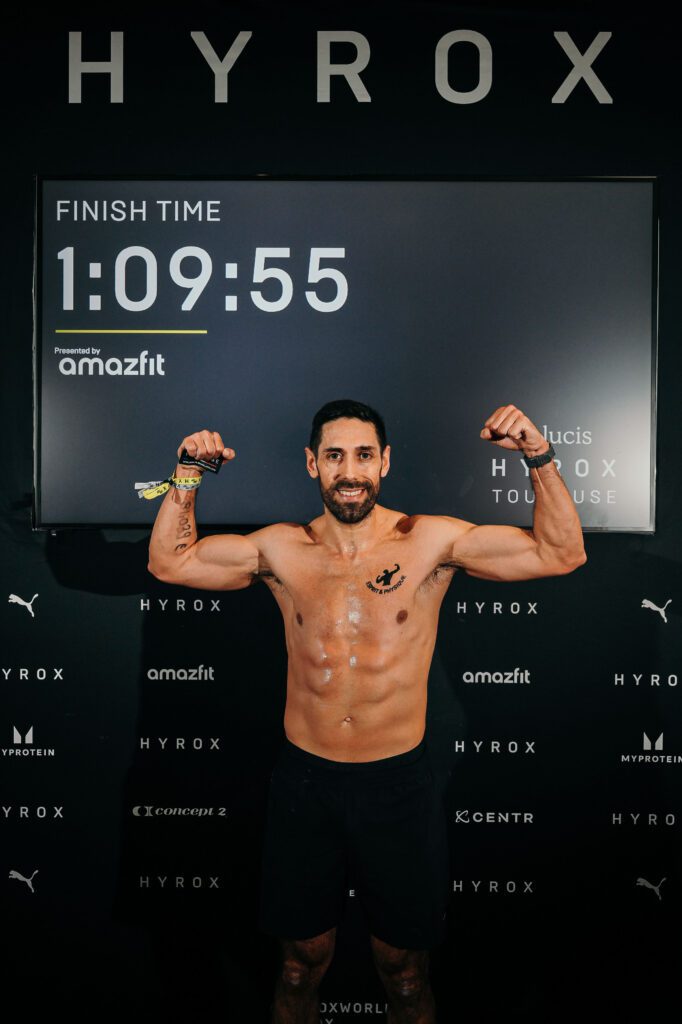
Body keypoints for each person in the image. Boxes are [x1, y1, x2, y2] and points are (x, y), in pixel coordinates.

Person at [147, 399, 586, 1023]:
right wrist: (188, 471)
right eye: (334, 456)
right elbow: (170, 561)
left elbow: (560, 553)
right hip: (306, 785)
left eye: (362, 455)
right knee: (298, 966)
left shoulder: (431, 541)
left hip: (398, 787)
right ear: (312, 464)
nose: (348, 472)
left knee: (404, 974)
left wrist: (537, 456)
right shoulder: (280, 548)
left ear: (384, 462)